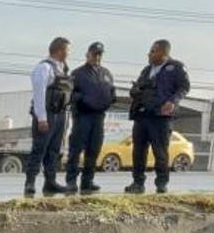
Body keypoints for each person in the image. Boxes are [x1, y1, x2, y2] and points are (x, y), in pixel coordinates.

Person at [126, 40, 190, 194]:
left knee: (160, 151)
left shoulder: (175, 68)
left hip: (160, 117)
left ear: (163, 52)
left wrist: (173, 101)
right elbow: (139, 87)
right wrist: (135, 91)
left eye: (153, 51)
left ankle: (161, 183)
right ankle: (137, 183)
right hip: (142, 115)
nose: (149, 54)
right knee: (138, 151)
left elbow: (184, 87)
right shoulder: (147, 70)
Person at [25, 37, 74, 197]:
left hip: (60, 115)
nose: (69, 53)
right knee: (39, 149)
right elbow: (39, 94)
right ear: (59, 50)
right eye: (68, 49)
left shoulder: (62, 69)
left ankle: (50, 182)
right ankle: (30, 183)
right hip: (47, 115)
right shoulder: (44, 67)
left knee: (53, 151)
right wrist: (42, 118)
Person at [65, 42, 116, 194]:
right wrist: (83, 98)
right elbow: (69, 95)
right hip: (83, 116)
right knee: (76, 150)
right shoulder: (78, 73)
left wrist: (109, 99)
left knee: (94, 150)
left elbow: (111, 92)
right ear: (88, 55)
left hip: (99, 117)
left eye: (100, 54)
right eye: (94, 54)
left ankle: (87, 181)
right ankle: (71, 181)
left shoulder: (106, 73)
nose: (97, 57)